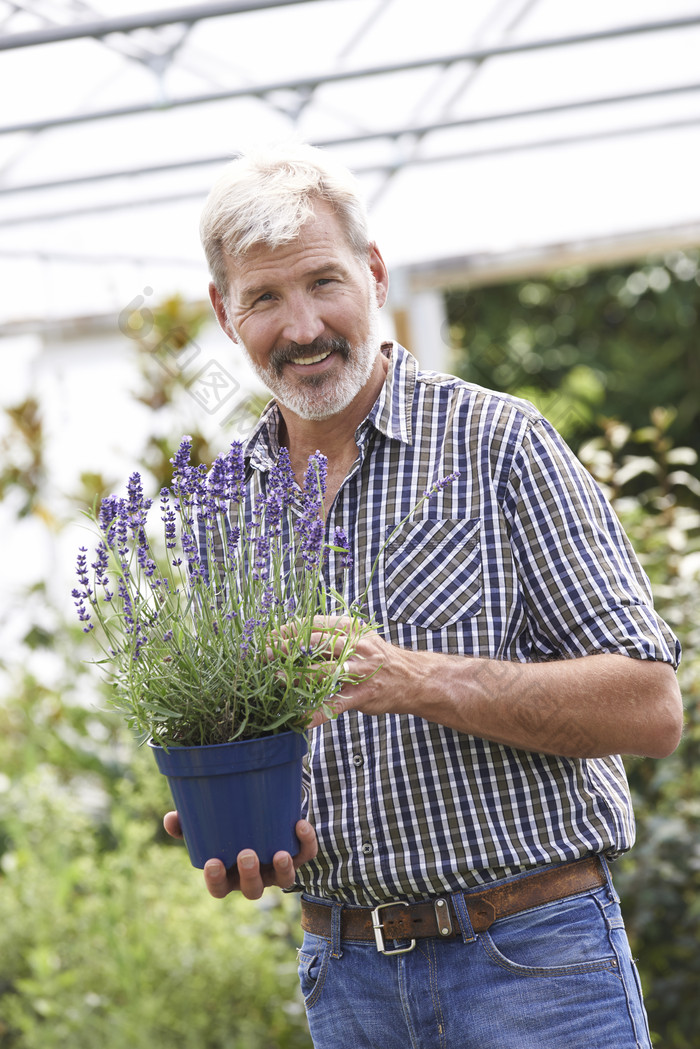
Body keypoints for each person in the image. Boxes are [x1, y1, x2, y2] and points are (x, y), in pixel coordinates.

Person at [164, 143, 683, 1049]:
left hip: (535, 964)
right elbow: (263, 754)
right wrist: (239, 822)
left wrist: (408, 675)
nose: (302, 326)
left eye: (324, 281)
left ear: (373, 272)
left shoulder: (500, 444)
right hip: (348, 978)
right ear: (224, 312)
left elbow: (650, 708)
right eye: (264, 300)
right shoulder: (227, 509)